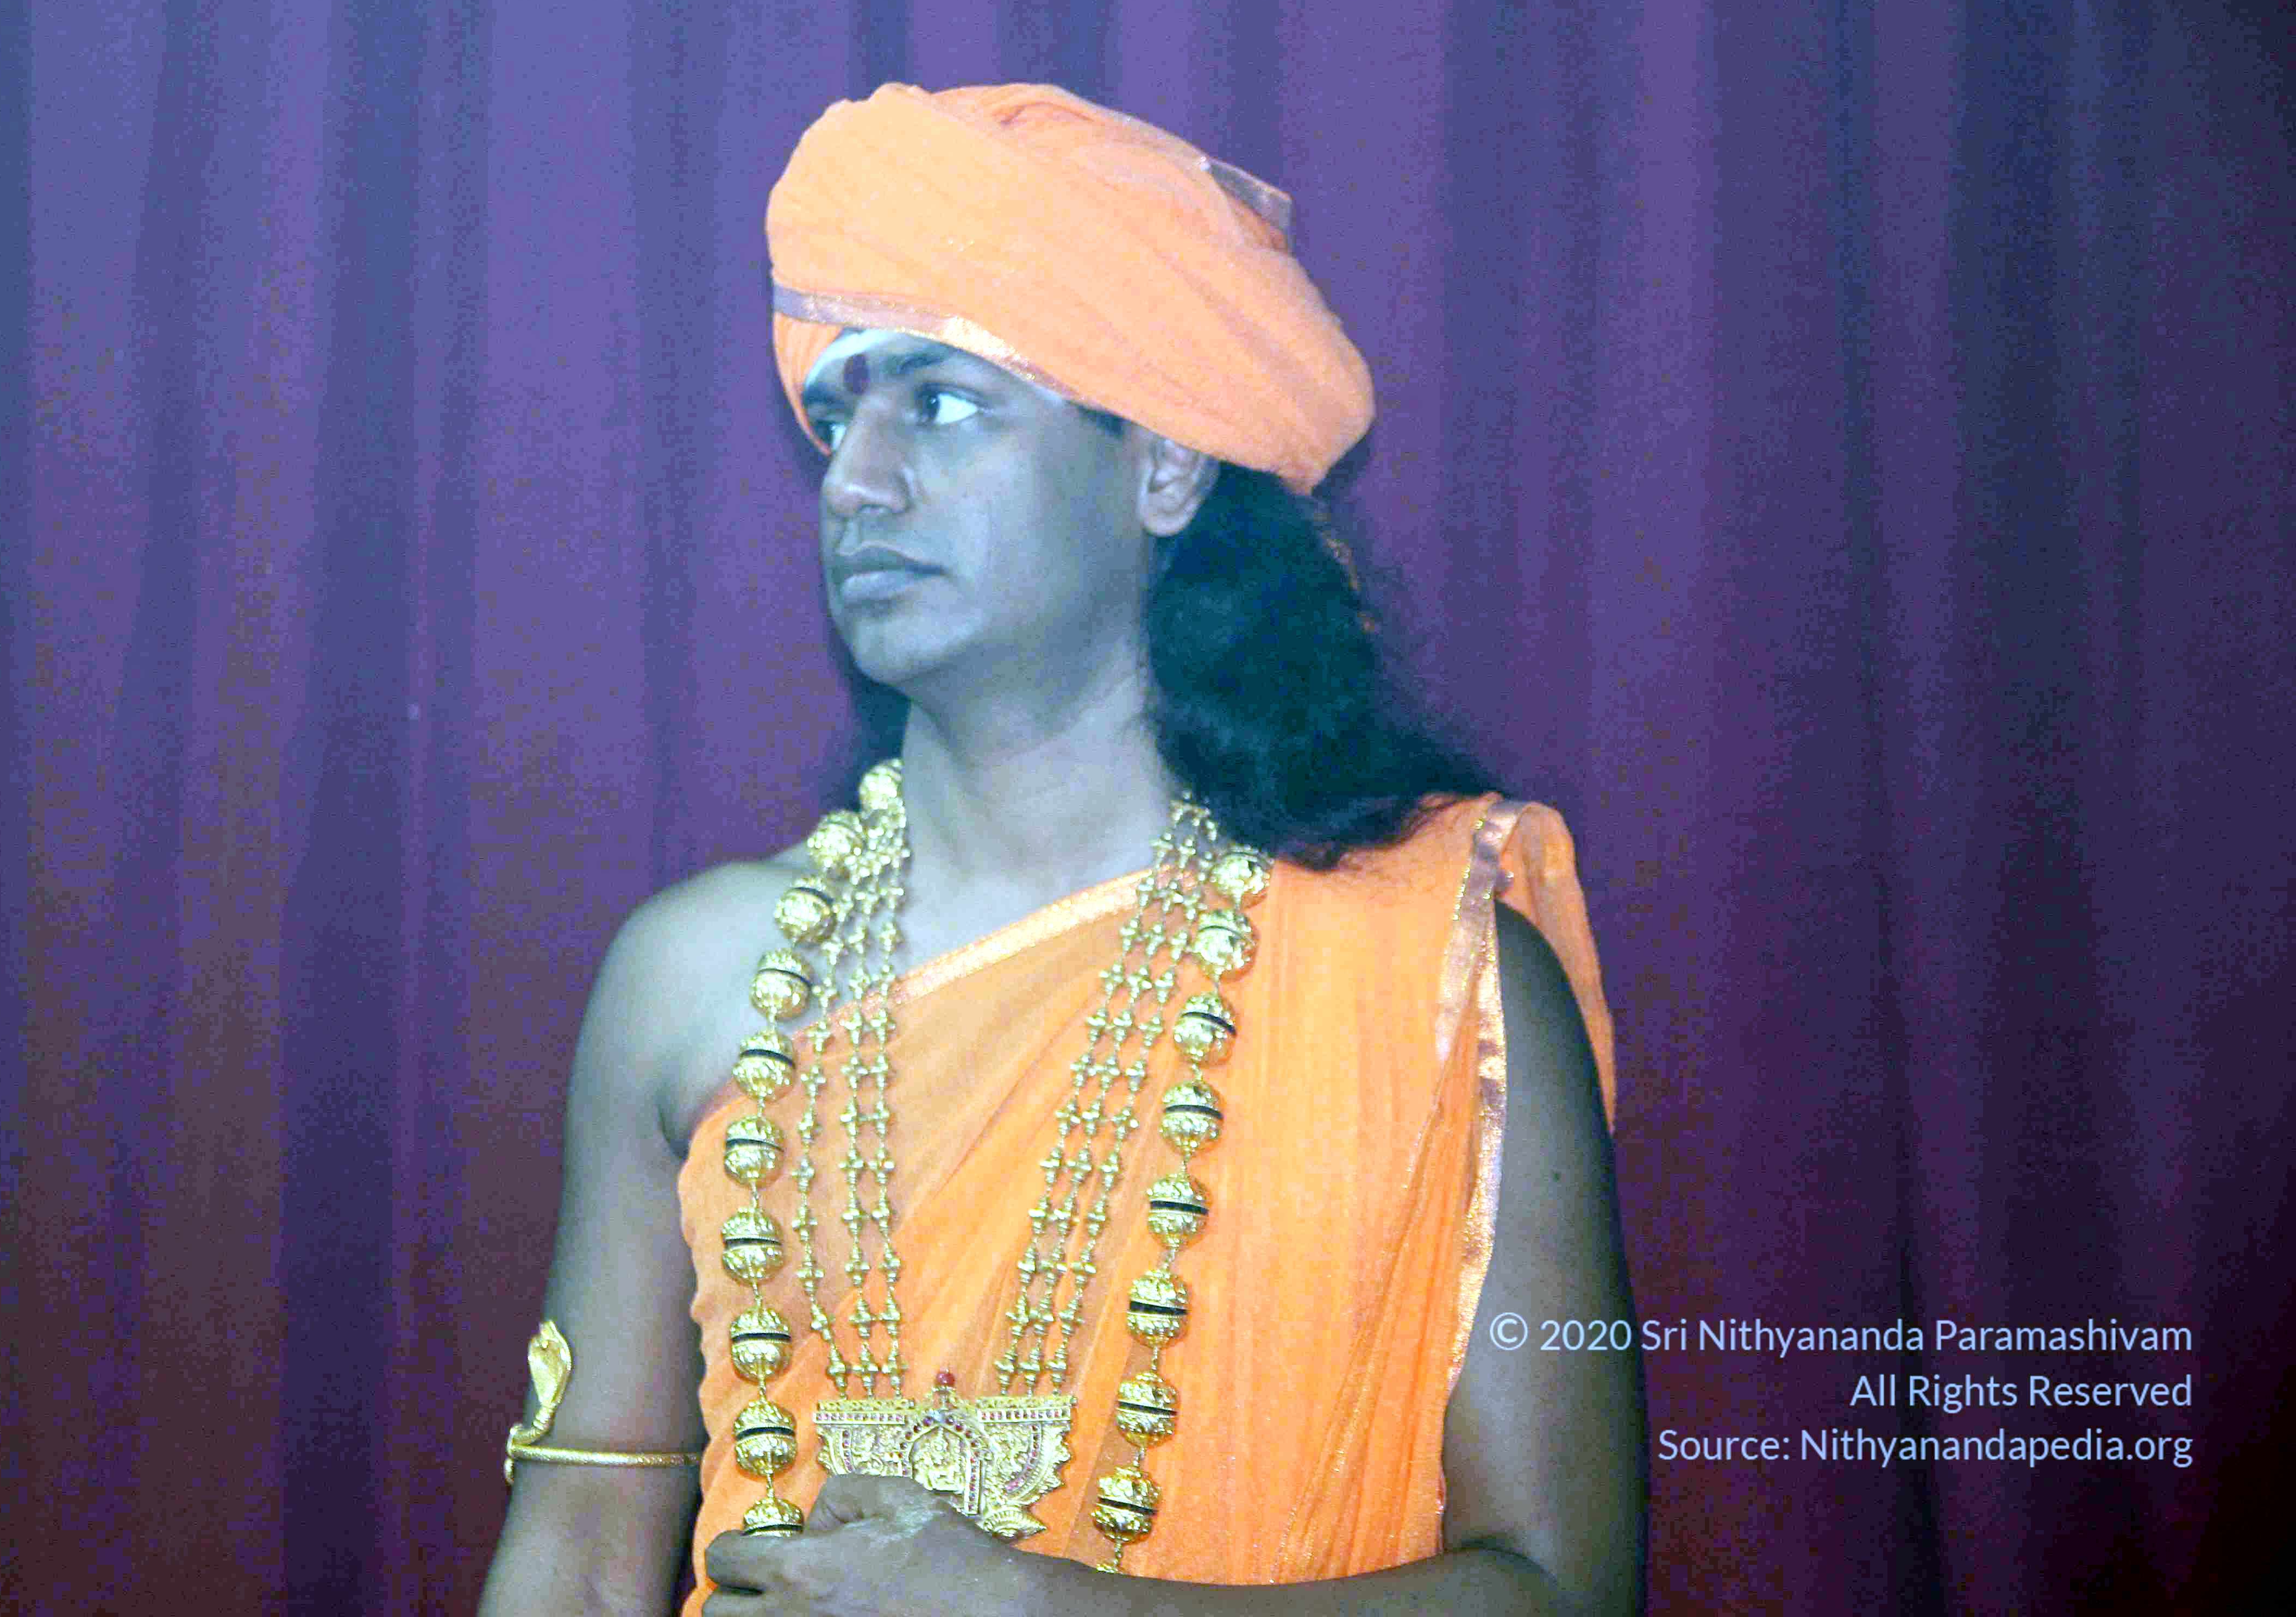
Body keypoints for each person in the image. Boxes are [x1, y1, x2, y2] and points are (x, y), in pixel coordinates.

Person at [476, 82, 1642, 1616]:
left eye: (941, 405)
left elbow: (1562, 1591)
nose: (856, 481)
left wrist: (1042, 1608)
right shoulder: (694, 980)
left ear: (1163, 467)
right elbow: (574, 1555)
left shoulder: (1434, 973)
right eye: (836, 419)